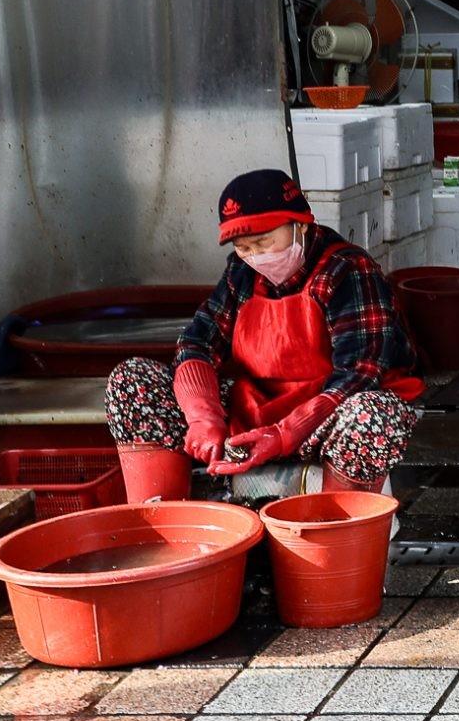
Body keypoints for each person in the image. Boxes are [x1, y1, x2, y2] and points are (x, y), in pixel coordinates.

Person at [105, 168, 422, 502]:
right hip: (252, 415)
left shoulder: (347, 270)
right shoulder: (241, 272)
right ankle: (164, 528)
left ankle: (334, 534)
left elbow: (360, 373)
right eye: (243, 247)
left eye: (264, 242)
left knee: (374, 414)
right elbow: (197, 343)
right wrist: (203, 416)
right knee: (132, 381)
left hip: (323, 423)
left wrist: (283, 434)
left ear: (301, 223)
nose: (256, 256)